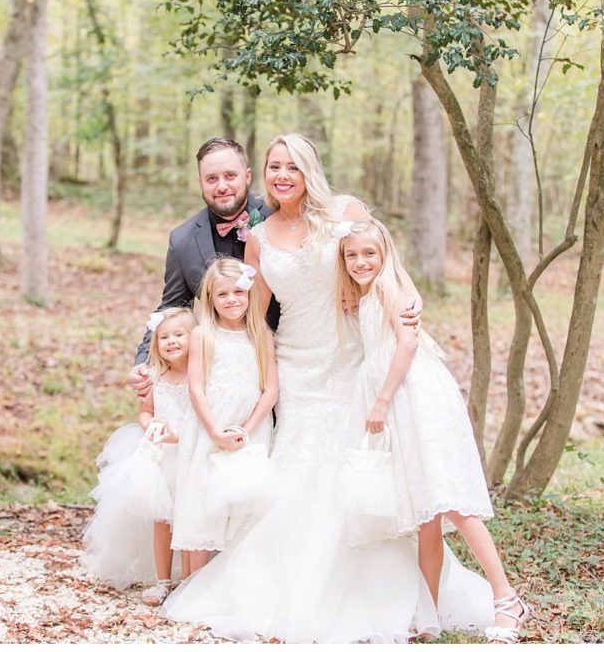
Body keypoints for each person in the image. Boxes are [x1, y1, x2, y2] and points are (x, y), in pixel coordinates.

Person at [162, 134, 474, 643]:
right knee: (297, 475)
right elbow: (257, 315)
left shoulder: (346, 213)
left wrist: (411, 302)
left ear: (308, 170)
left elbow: (385, 265)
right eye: (273, 166)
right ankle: (284, 591)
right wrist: (220, 359)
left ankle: (382, 593)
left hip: (352, 360)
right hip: (297, 369)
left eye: (291, 166)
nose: (282, 175)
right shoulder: (258, 236)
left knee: (352, 472)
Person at [336, 218, 531, 643]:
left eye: (369, 253)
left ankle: (506, 599)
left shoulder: (392, 287)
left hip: (412, 395)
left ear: (385, 252)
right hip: (398, 396)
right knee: (427, 515)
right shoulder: (369, 293)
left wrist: (383, 399)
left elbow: (405, 344)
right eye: (352, 255)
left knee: (451, 501)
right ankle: (431, 610)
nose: (360, 261)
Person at [128, 138, 279, 398]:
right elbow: (172, 307)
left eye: (230, 176)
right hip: (222, 376)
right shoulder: (183, 240)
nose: (222, 186)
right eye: (211, 179)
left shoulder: (278, 216)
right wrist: (144, 362)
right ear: (201, 183)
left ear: (247, 175)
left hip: (286, 357)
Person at [80, 307, 197, 605]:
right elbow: (145, 412)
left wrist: (179, 435)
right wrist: (151, 426)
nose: (171, 342)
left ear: (195, 337)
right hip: (161, 457)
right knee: (163, 521)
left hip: (191, 454)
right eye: (164, 337)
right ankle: (162, 581)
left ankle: (189, 580)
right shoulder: (157, 378)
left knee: (188, 519)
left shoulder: (201, 377)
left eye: (179, 335)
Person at [170, 258, 278, 575]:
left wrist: (246, 430)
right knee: (201, 503)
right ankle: (190, 585)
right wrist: (216, 433)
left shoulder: (262, 336)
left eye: (238, 292)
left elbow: (270, 390)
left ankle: (230, 582)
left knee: (243, 504)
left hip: (249, 428)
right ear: (211, 299)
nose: (231, 300)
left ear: (249, 295)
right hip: (209, 427)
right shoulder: (204, 334)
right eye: (222, 295)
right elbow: (197, 388)